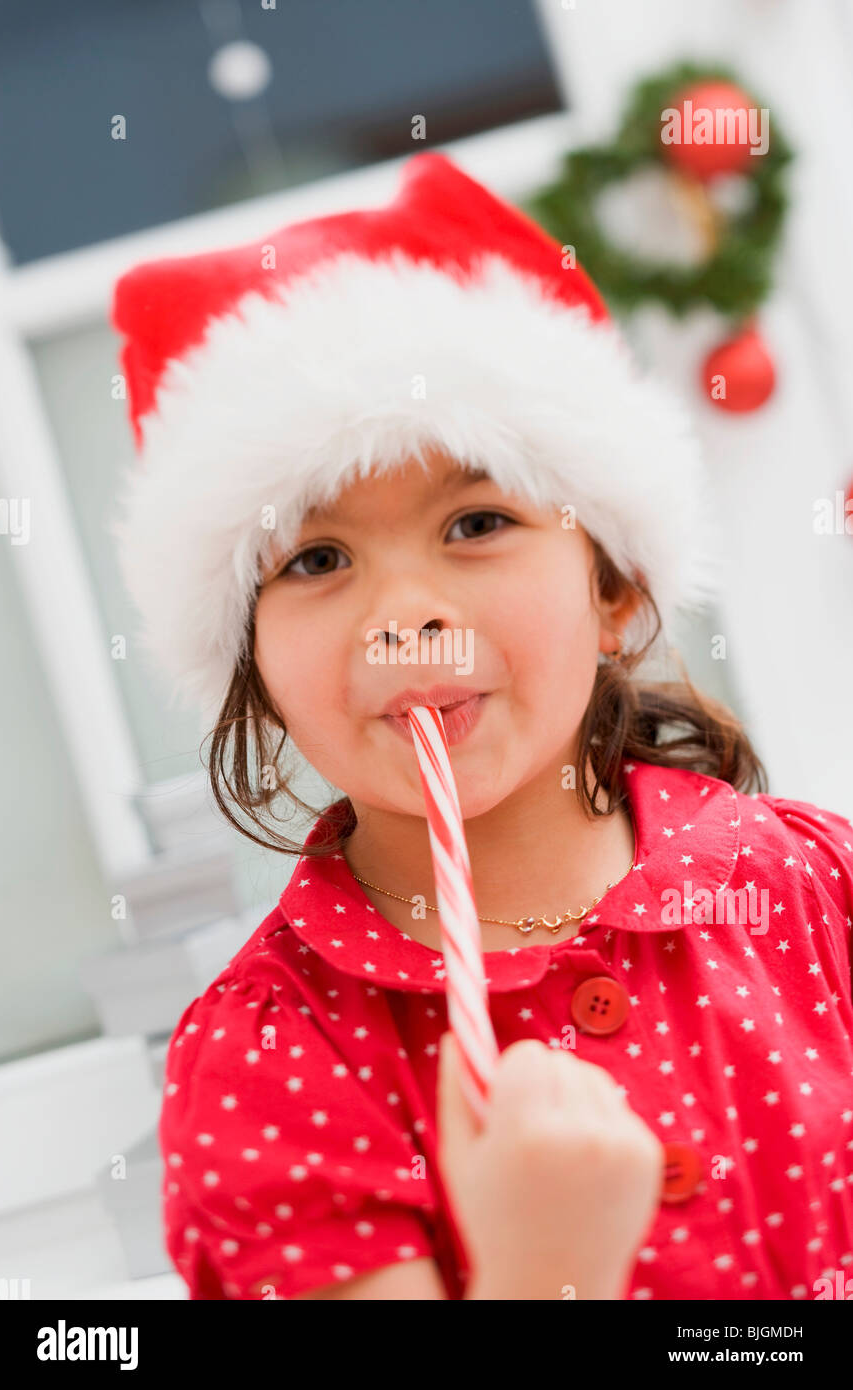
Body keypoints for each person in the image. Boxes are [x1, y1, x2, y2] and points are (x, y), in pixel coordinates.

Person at [110, 153, 853, 1300]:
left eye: (474, 521)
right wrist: (539, 1273)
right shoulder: (273, 1062)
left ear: (613, 591)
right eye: (315, 558)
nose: (402, 612)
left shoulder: (815, 896)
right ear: (249, 661)